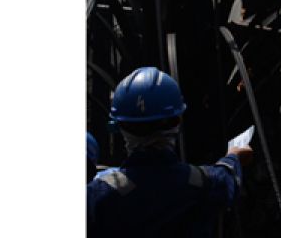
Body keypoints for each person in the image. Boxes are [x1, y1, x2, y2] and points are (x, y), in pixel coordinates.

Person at [87, 67, 254, 237]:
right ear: (178, 122)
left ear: (120, 127)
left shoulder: (97, 194)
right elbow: (227, 176)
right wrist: (234, 155)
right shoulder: (204, 183)